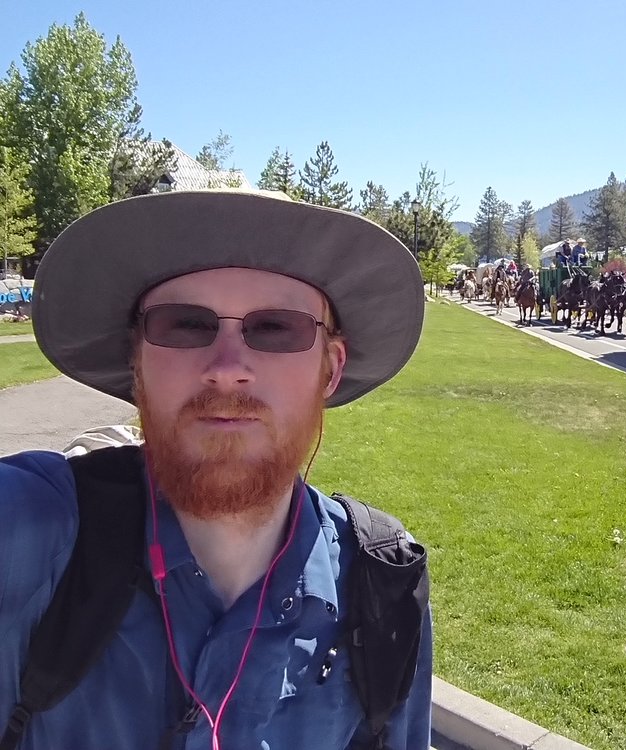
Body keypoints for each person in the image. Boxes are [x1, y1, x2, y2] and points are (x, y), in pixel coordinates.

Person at [0, 191, 432, 749]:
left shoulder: (382, 588)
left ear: (331, 369)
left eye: (278, 328)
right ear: (136, 363)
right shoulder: (32, 535)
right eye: (183, 325)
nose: (227, 371)